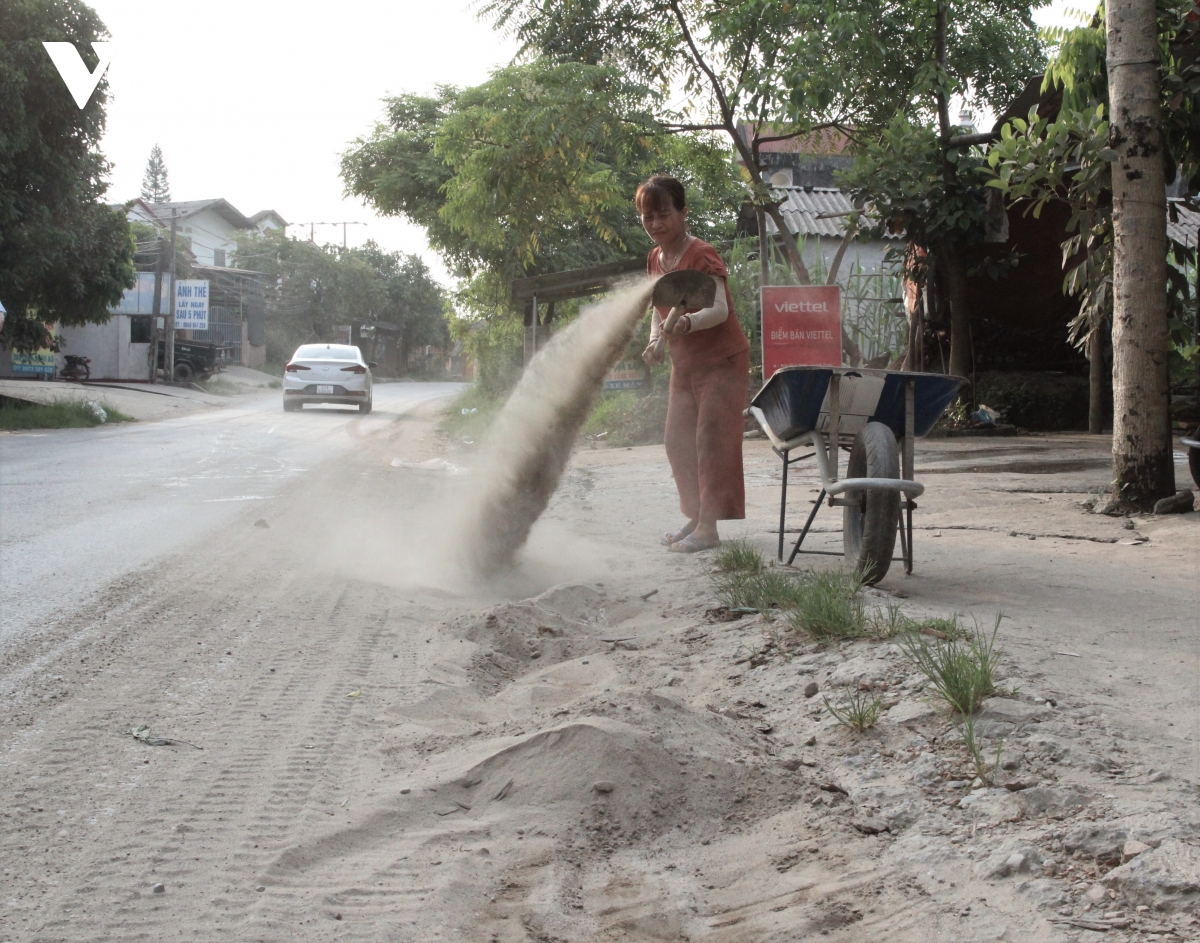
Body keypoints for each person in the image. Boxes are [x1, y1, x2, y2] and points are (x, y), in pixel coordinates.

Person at [638, 175, 750, 553]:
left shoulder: (702, 254)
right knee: (677, 442)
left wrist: (686, 324)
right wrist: (654, 342)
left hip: (722, 361)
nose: (656, 223)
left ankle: (709, 528)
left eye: (664, 214)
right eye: (648, 216)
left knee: (710, 441)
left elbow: (719, 310)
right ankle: (698, 515)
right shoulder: (654, 258)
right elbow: (659, 310)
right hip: (685, 364)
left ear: (683, 213)